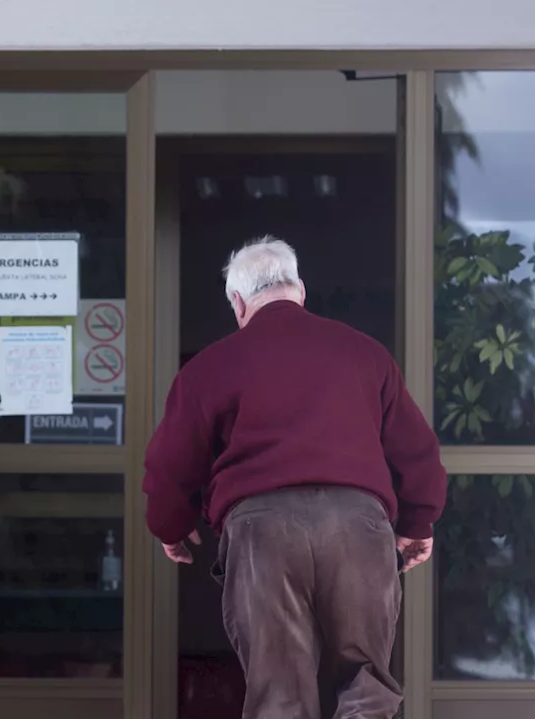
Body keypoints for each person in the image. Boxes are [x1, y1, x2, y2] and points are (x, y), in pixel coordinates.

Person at [143, 236, 446, 719]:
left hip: (263, 534)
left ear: (238, 303)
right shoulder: (364, 354)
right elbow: (418, 451)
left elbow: (168, 464)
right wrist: (417, 522)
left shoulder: (209, 367)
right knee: (367, 686)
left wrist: (171, 527)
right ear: (300, 290)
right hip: (357, 527)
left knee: (279, 695)